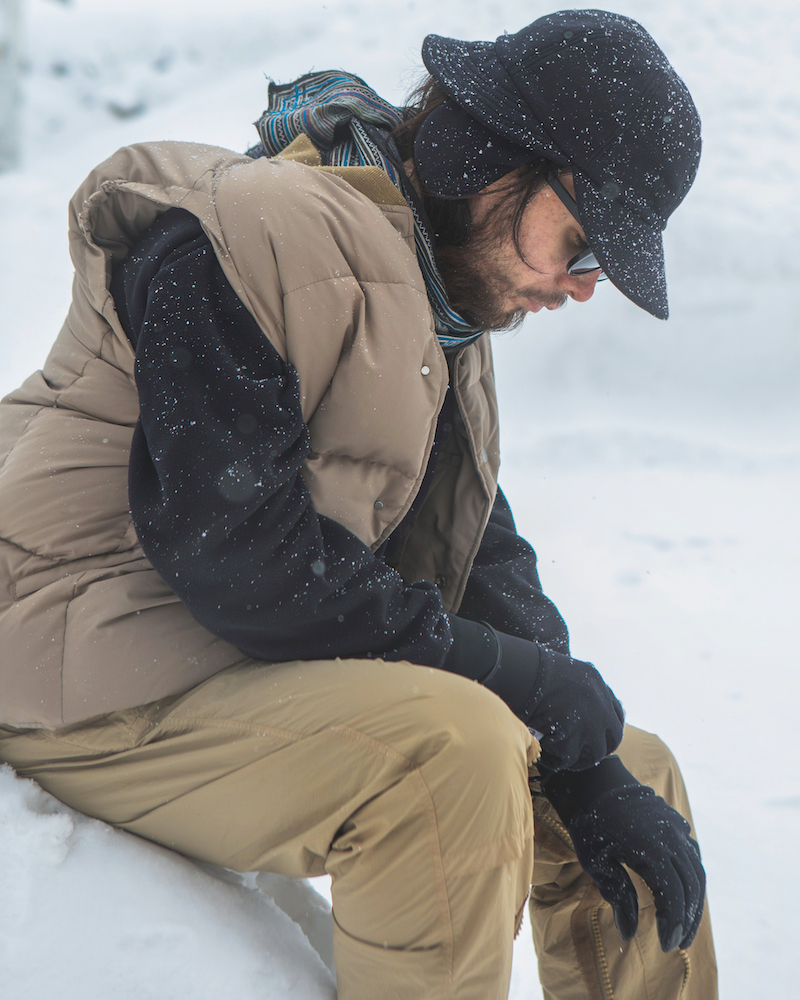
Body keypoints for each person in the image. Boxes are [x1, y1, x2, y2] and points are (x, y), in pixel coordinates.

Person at [0, 10, 717, 999]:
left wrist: (578, 747)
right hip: (72, 665)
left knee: (636, 768)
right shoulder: (242, 230)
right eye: (583, 246)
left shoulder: (430, 316)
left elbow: (471, 551)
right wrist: (519, 689)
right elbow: (234, 553)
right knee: (443, 760)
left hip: (216, 658)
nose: (582, 288)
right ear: (498, 163)